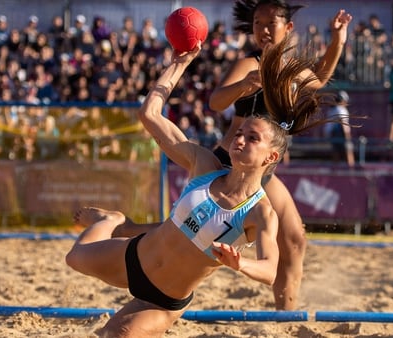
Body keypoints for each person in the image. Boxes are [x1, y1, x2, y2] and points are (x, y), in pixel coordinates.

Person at [66, 37, 344, 337]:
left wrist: (240, 264)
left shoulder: (261, 212)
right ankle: (112, 220)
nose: (239, 140)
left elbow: (269, 270)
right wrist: (179, 64)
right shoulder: (204, 164)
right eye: (239, 133)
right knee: (74, 257)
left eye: (252, 138)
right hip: (132, 257)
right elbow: (149, 115)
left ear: (271, 156)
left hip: (163, 300)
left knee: (113, 335)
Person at [206, 0, 353, 310]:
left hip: (261, 170)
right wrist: (243, 86)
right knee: (192, 238)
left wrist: (338, 39)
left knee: (295, 241)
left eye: (269, 23)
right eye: (257, 23)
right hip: (231, 162)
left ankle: (284, 315)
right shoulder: (250, 64)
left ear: (287, 29)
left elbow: (319, 79)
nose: (262, 29)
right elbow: (216, 102)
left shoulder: (291, 70)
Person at [324, 90, 355, 167]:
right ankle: (352, 174)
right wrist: (347, 137)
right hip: (340, 134)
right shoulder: (341, 109)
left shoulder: (332, 110)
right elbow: (343, 124)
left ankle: (335, 174)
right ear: (343, 100)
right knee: (348, 152)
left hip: (332, 135)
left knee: (336, 155)